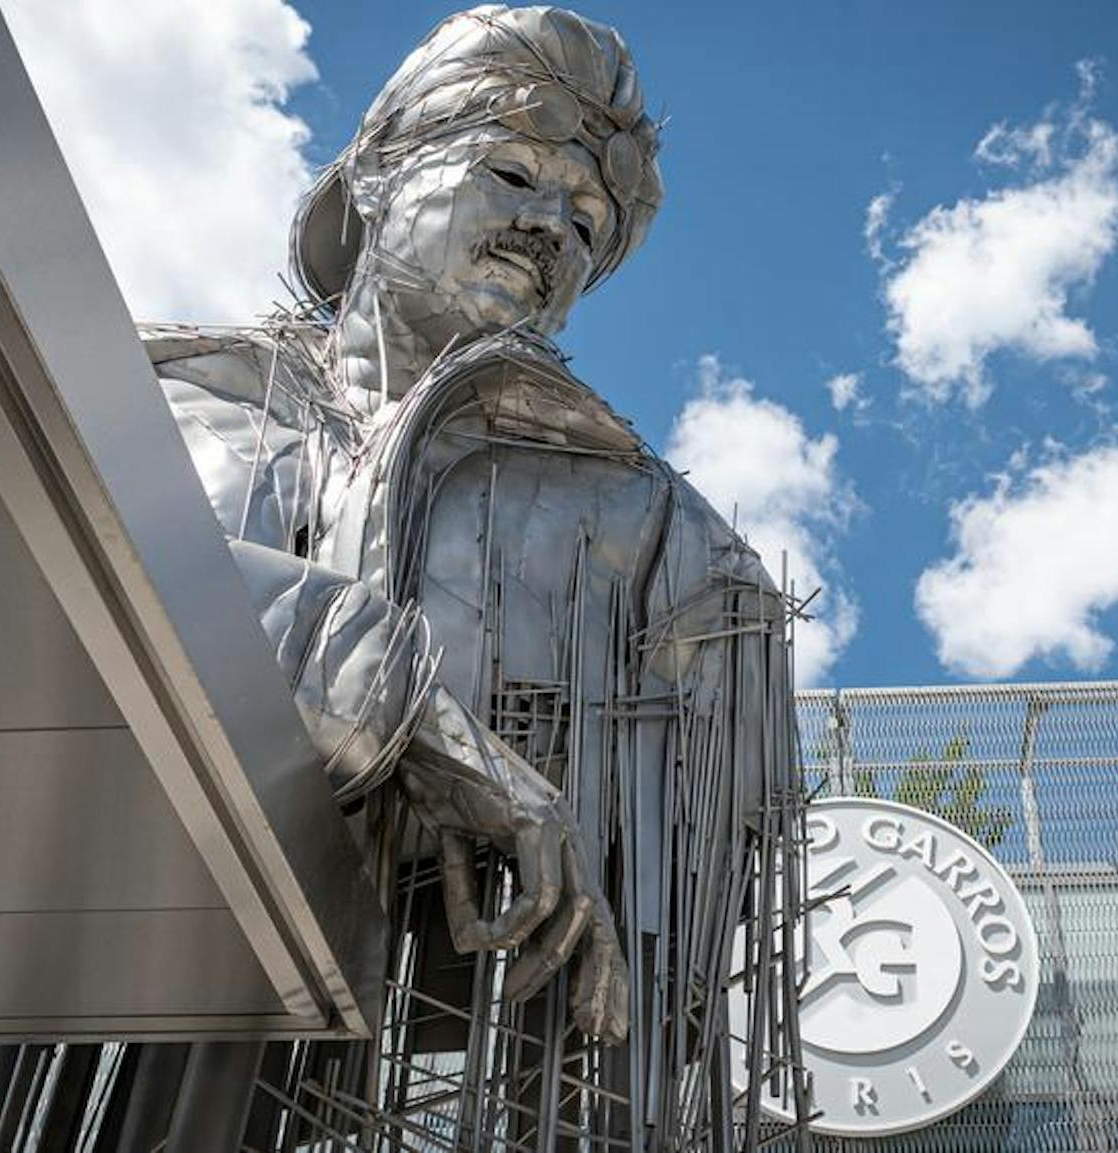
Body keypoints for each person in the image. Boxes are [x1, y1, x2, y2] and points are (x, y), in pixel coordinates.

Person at [140, 6, 806, 1143]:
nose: (551, 227)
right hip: (130, 1017)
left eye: (588, 226)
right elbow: (87, 600)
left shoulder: (661, 541)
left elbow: (650, 994)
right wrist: (414, 726)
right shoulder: (156, 407)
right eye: (511, 172)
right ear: (370, 183)